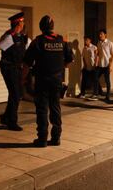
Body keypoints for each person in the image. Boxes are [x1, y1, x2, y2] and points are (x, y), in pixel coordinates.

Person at [23, 15, 73, 147]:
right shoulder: (62, 40)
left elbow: (27, 63)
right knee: (55, 108)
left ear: (41, 27)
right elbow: (70, 60)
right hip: (56, 81)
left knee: (42, 110)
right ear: (52, 27)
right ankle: (56, 138)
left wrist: (22, 79)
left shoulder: (38, 41)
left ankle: (42, 139)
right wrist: (60, 68)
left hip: (42, 81)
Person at [0, 12, 28, 131]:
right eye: (22, 21)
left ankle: (5, 117)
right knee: (15, 94)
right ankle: (11, 122)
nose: (24, 23)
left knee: (16, 93)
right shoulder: (9, 37)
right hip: (9, 68)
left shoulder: (22, 37)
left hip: (17, 68)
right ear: (18, 23)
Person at [93, 29, 113, 102]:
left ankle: (108, 96)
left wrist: (111, 65)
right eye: (99, 34)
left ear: (105, 35)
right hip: (100, 65)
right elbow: (98, 54)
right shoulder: (99, 43)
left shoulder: (109, 43)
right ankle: (96, 94)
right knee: (95, 78)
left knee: (107, 81)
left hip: (107, 65)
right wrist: (96, 55)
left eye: (101, 34)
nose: (100, 35)